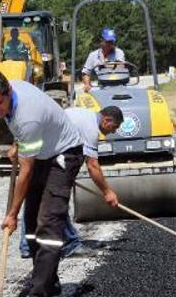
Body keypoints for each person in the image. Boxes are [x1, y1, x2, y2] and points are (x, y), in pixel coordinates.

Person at [0, 70, 83, 297]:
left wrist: (11, 214)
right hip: (43, 151)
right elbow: (19, 131)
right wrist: (19, 144)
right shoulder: (8, 95)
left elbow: (25, 173)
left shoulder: (27, 117)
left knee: (48, 222)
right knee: (32, 223)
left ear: (8, 91)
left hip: (63, 155)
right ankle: (48, 278)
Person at [18, 106, 124, 258]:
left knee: (35, 202)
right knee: (57, 202)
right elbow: (93, 165)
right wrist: (107, 191)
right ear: (106, 120)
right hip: (47, 156)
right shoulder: (90, 128)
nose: (113, 131)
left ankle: (27, 246)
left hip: (38, 154)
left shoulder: (82, 114)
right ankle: (70, 245)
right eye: (114, 127)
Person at [81, 28, 125, 93]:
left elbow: (120, 66)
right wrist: (87, 84)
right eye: (108, 41)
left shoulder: (118, 52)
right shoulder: (93, 55)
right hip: (102, 87)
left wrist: (108, 65)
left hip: (119, 85)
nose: (110, 44)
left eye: (112, 42)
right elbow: (86, 73)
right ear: (102, 40)